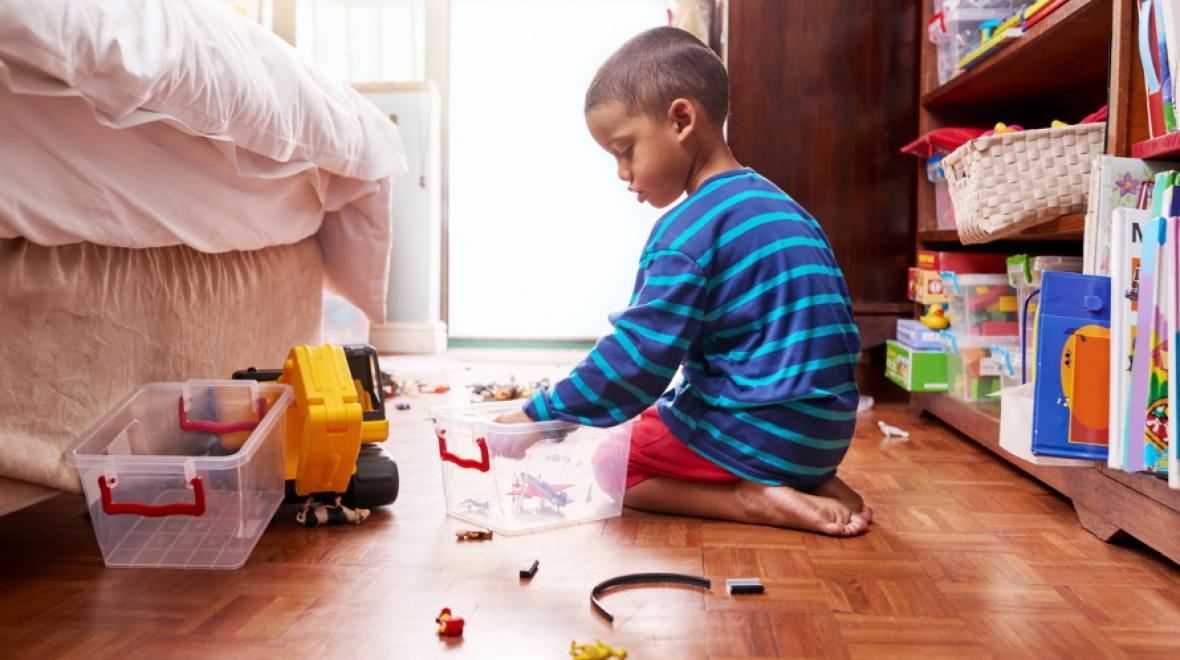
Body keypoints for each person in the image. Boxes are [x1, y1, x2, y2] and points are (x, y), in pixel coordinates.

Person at [496, 26, 870, 536]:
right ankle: (806, 480)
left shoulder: (686, 231)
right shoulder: (787, 208)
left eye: (625, 150)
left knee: (613, 462)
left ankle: (751, 499)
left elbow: (638, 361)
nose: (622, 173)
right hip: (824, 435)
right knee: (664, 413)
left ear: (680, 120)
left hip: (757, 435)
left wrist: (542, 418)